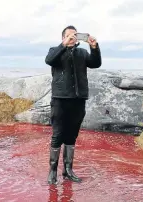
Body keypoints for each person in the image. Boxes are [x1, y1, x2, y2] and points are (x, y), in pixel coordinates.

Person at [45, 25, 102, 185]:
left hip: (78, 99)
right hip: (60, 100)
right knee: (58, 135)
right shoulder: (55, 51)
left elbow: (96, 63)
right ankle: (53, 171)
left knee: (71, 136)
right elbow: (49, 60)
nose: (72, 38)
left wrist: (94, 47)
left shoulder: (82, 53)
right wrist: (63, 45)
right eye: (69, 35)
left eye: (74, 35)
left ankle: (68, 170)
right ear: (63, 38)